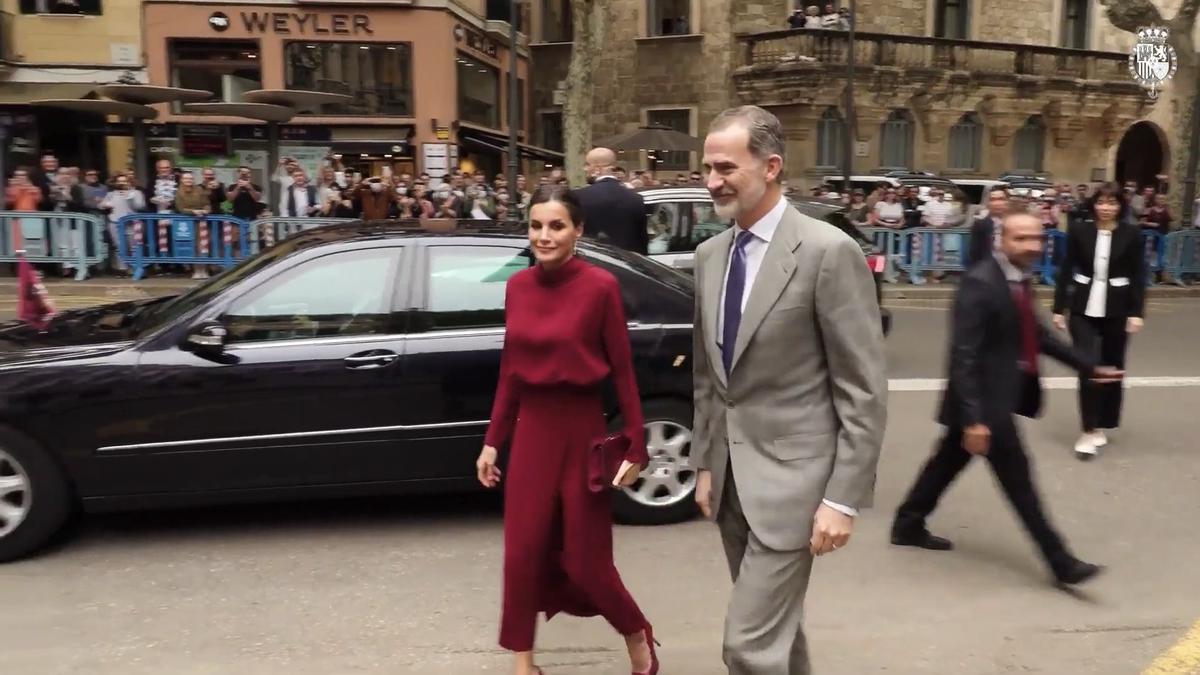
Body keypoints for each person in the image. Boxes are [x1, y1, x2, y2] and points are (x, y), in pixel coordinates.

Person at [690, 105, 887, 674]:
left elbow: (863, 388)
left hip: (797, 488)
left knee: (747, 647)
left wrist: (842, 498)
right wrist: (705, 463)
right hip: (730, 484)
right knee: (779, 634)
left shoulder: (828, 253)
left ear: (771, 166)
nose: (712, 181)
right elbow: (709, 377)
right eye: (707, 168)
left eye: (726, 167)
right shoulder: (709, 257)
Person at [475, 185, 659, 675]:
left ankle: (637, 635)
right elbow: (511, 370)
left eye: (556, 226)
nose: (544, 235)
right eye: (536, 226)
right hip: (532, 432)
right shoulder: (517, 286)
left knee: (585, 561)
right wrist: (493, 442)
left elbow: (622, 372)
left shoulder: (599, 287)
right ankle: (523, 663)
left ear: (578, 230)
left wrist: (636, 444)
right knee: (523, 552)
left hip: (581, 431)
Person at [891, 211, 1124, 586]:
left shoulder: (1017, 279)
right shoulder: (980, 283)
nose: (1032, 246)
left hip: (994, 397)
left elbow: (1040, 337)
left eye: (1036, 239)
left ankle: (907, 522)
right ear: (1002, 240)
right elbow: (963, 355)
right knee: (1020, 481)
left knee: (947, 461)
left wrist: (1090, 367)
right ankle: (1060, 560)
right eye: (1021, 239)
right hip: (984, 402)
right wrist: (973, 420)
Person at [1052, 183, 1145, 459]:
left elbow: (1139, 275)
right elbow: (1066, 269)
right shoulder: (1080, 230)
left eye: (1112, 203)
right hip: (1082, 308)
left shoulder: (1132, 234)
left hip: (1118, 309)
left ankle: (1104, 421)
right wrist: (1059, 308)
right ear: (1094, 205)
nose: (1106, 207)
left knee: (1113, 367)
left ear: (1120, 206)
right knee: (1089, 365)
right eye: (1101, 202)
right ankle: (1088, 429)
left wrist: (1137, 313)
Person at [576, 147, 650, 255]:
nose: (585, 169)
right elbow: (642, 241)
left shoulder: (579, 196)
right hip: (630, 266)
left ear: (597, 168)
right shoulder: (636, 198)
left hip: (593, 261)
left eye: (587, 165)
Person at [965, 186, 1010, 267]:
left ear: (1007, 201)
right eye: (993, 199)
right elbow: (974, 253)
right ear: (988, 203)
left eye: (1001, 199)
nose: (997, 203)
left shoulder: (1015, 223)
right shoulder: (980, 225)